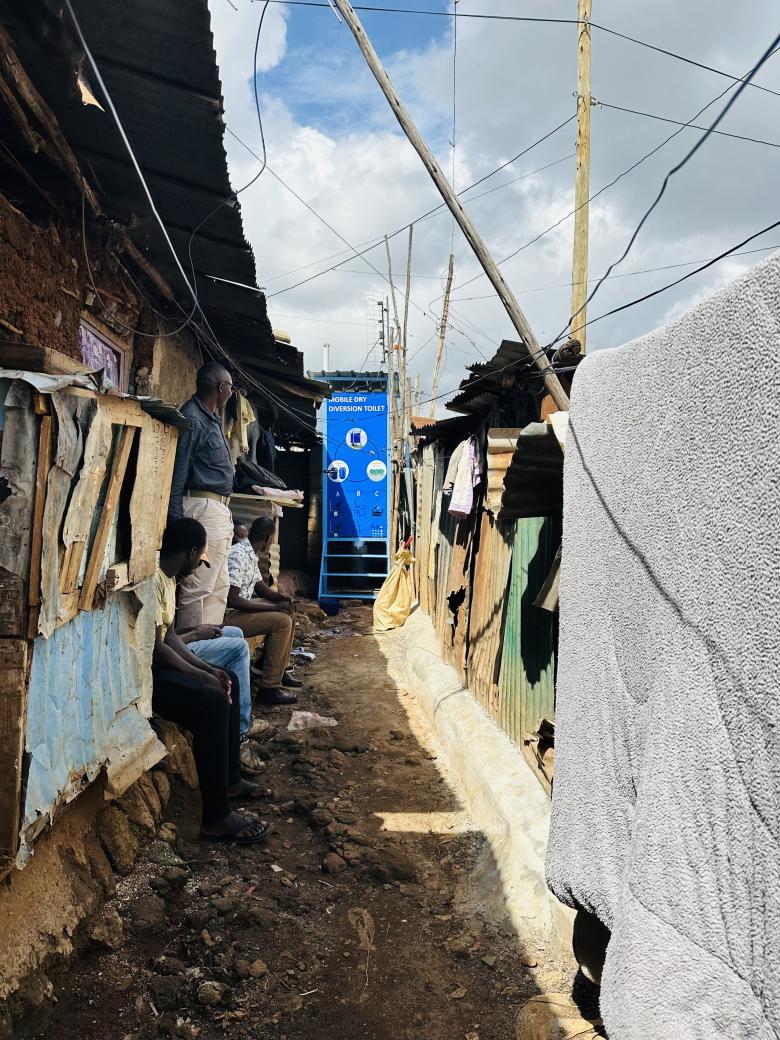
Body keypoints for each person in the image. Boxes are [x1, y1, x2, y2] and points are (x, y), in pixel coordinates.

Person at [152, 517, 272, 844]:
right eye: (199, 559)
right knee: (213, 701)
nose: (197, 567)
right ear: (191, 553)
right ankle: (216, 817)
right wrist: (200, 673)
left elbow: (171, 637)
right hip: (148, 677)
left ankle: (230, 779)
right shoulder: (153, 582)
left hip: (161, 664)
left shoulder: (168, 581)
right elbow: (157, 649)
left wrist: (209, 670)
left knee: (227, 678)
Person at [169, 362, 236, 630]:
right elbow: (178, 472)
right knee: (197, 588)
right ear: (220, 387)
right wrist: (177, 524)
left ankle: (211, 649)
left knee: (219, 586)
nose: (231, 393)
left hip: (217, 510)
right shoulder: (193, 417)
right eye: (230, 387)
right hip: (202, 508)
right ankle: (193, 649)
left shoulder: (211, 418)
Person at [225, 516, 300, 707]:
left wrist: (281, 597)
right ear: (268, 539)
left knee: (289, 610)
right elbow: (233, 599)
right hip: (229, 616)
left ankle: (276, 669)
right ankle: (269, 688)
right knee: (282, 621)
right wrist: (274, 607)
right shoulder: (238, 554)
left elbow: (261, 588)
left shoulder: (250, 553)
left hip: (241, 609)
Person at [177, 621, 270, 770]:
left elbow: (168, 632)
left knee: (235, 632)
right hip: (172, 653)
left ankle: (236, 718)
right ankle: (239, 735)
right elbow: (161, 643)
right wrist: (195, 635)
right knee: (239, 648)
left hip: (177, 642)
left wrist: (195, 629)